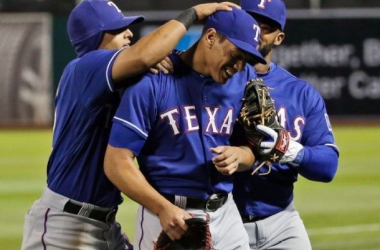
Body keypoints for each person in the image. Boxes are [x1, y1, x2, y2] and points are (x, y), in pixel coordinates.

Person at [20, 1, 240, 249]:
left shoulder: (109, 78)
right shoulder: (84, 67)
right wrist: (193, 14)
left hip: (103, 223)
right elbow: (144, 54)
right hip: (66, 226)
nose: (129, 33)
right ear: (94, 36)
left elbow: (142, 61)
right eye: (117, 29)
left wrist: (145, 64)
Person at [103, 8, 267, 250]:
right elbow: (116, 162)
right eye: (236, 54)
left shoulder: (243, 80)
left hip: (226, 213)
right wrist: (162, 208)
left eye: (247, 59)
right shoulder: (153, 81)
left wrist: (240, 156)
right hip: (167, 218)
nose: (240, 66)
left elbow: (254, 150)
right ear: (210, 37)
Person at [232, 0, 340, 249]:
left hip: (281, 221)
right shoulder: (209, 82)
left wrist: (294, 151)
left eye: (266, 26)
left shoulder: (301, 94)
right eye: (250, 21)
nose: (256, 30)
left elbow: (328, 166)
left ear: (279, 38)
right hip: (223, 218)